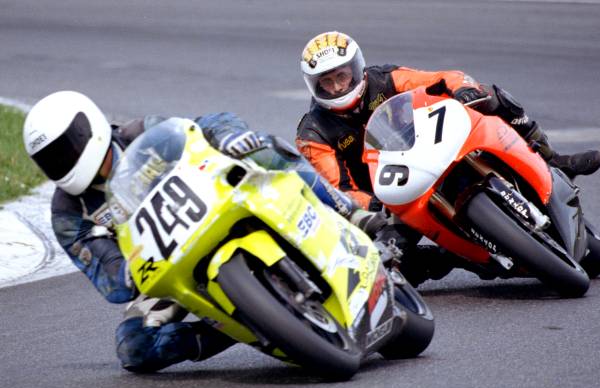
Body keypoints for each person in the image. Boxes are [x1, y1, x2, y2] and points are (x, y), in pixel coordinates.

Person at [22, 90, 387, 373]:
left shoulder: (140, 133)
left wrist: (229, 139)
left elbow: (202, 129)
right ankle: (240, 326)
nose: (64, 160)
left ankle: (348, 211)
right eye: (52, 159)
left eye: (67, 147)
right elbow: (111, 281)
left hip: (216, 205)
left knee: (263, 149)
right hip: (166, 268)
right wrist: (124, 267)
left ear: (90, 127)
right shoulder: (68, 214)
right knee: (133, 347)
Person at [295, 31, 600, 281]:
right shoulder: (313, 132)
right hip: (392, 198)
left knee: (493, 97)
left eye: (342, 76)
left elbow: (441, 79)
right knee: (386, 262)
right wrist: (372, 205)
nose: (337, 87)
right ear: (314, 87)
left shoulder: (385, 79)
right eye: (327, 82)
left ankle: (551, 159)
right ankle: (455, 258)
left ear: (356, 69)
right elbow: (338, 190)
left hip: (429, 148)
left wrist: (464, 89)